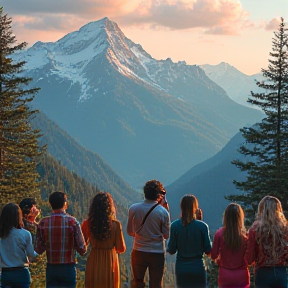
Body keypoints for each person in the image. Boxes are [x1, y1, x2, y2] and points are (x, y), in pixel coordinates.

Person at [35, 191, 87, 288]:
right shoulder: (72, 221)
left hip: (51, 267)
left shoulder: (43, 223)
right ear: (65, 204)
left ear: (50, 204)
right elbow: (82, 249)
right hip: (68, 267)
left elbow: (39, 249)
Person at [127, 179, 170, 288]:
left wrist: (140, 235)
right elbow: (166, 235)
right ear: (159, 195)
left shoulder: (134, 208)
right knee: (155, 284)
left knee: (138, 282)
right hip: (157, 252)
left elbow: (129, 231)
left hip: (138, 250)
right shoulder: (163, 212)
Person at [81, 192, 126, 288]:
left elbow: (82, 246)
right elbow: (121, 249)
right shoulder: (116, 225)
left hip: (94, 260)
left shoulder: (87, 223)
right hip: (110, 261)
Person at [167, 194, 211, 288]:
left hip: (181, 268)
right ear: (196, 208)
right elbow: (208, 249)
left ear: (181, 207)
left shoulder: (175, 226)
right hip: (198, 267)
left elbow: (171, 250)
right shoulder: (203, 226)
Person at [246, 196, 288, 288]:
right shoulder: (285, 228)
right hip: (281, 272)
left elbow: (249, 258)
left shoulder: (255, 229)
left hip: (263, 273)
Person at [210, 203, 249, 288]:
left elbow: (213, 256)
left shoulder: (219, 234)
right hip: (242, 275)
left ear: (225, 217)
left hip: (225, 275)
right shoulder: (245, 235)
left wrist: (219, 261)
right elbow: (249, 258)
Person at [0, 203, 36, 288]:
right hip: (21, 273)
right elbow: (31, 254)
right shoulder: (25, 234)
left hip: (6, 273)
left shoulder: (2, 235)